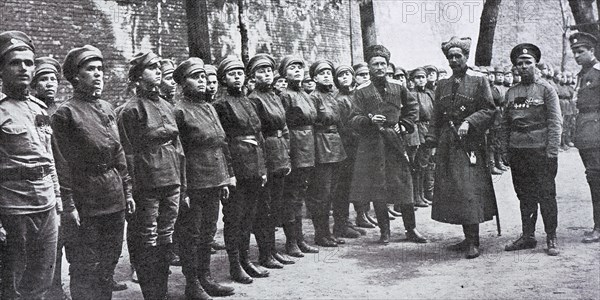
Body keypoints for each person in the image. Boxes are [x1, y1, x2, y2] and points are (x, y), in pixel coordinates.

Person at [51, 45, 136, 299]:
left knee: (109, 261)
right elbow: (62, 162)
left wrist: (127, 190)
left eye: (100, 69)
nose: (98, 74)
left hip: (113, 194)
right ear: (76, 76)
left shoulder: (108, 108)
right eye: (91, 69)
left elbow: (118, 151)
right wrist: (68, 204)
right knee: (85, 266)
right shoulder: (65, 114)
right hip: (85, 197)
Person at [118, 51, 184, 299]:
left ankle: (162, 291)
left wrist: (181, 179)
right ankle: (151, 293)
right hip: (147, 182)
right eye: (151, 67)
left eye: (159, 67)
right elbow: (128, 152)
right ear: (137, 76)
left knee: (166, 234)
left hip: (171, 178)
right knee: (148, 237)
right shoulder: (130, 110)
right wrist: (131, 189)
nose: (158, 71)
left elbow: (178, 146)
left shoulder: (167, 106)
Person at [0, 30, 61, 299]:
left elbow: (48, 158)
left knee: (40, 283)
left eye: (29, 62)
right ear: (1, 69)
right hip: (13, 209)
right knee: (11, 286)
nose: (24, 68)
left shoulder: (39, 108)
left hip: (46, 205)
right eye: (15, 62)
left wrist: (57, 197)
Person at [425, 36, 497, 259]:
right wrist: (432, 141)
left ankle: (474, 241)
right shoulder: (442, 85)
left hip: (469, 144)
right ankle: (467, 238)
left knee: (468, 190)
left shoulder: (478, 81)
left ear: (466, 57)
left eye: (459, 56)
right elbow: (436, 116)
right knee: (454, 190)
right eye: (451, 57)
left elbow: (489, 110)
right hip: (448, 143)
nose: (454, 60)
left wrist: (469, 121)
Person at [349, 44, 428, 245]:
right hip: (372, 145)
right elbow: (353, 118)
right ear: (368, 66)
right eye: (375, 64)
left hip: (395, 143)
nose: (379, 67)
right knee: (379, 187)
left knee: (404, 185)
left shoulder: (398, 86)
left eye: (383, 63)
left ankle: (411, 229)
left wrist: (404, 125)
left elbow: (412, 108)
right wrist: (368, 121)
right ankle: (385, 232)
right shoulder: (361, 91)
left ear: (388, 65)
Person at [172, 57, 235, 299]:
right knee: (192, 234)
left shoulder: (208, 107)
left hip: (213, 179)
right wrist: (184, 189)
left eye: (202, 77)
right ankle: (192, 284)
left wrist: (225, 177)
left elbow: (221, 142)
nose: (201, 82)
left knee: (208, 231)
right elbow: (177, 153)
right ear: (182, 83)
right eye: (194, 77)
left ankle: (206, 278)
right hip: (194, 182)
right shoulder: (178, 111)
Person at [501, 43, 562, 256]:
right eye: (520, 64)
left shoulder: (546, 89)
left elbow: (555, 122)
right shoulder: (511, 92)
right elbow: (505, 123)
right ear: (515, 67)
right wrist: (505, 150)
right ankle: (528, 236)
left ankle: (551, 237)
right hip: (518, 150)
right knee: (524, 195)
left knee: (546, 194)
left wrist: (552, 152)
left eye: (528, 63)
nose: (524, 66)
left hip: (540, 150)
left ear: (535, 65)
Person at [213, 56, 269, 283]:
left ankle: (246, 260)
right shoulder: (221, 105)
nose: (237, 77)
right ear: (224, 79)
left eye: (239, 73)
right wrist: (229, 174)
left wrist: (263, 167)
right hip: (236, 165)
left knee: (249, 215)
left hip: (254, 165)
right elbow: (222, 141)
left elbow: (258, 135)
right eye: (231, 74)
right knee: (234, 217)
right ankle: (235, 265)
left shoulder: (248, 101)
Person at [246, 54, 296, 267]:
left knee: (275, 205)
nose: (266, 74)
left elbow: (284, 127)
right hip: (265, 152)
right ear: (253, 76)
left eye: (268, 71)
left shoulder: (276, 96)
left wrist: (286, 155)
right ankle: (265, 254)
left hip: (279, 153)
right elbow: (256, 133)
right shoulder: (254, 99)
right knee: (264, 207)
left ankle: (273, 251)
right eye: (261, 71)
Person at [278, 56, 320, 256]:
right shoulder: (284, 96)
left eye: (300, 67)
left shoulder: (305, 94)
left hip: (308, 145)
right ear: (284, 73)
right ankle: (291, 241)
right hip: (295, 146)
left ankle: (300, 239)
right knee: (292, 196)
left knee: (300, 195)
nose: (297, 71)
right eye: (292, 68)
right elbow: (283, 126)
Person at [307, 59, 348, 247]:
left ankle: (330, 232)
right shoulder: (313, 98)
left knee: (332, 192)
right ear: (314, 77)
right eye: (321, 73)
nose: (326, 76)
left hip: (336, 145)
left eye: (328, 73)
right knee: (321, 193)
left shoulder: (333, 96)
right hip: (321, 145)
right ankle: (320, 233)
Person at [569, 32, 600, 243]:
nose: (577, 55)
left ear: (592, 51)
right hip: (585, 130)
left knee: (596, 177)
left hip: (597, 128)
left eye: (581, 51)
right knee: (593, 177)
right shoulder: (582, 74)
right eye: (574, 52)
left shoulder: (598, 72)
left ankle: (599, 227)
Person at [331, 64, 366, 238]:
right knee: (342, 188)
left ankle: (348, 222)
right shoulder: (339, 99)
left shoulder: (356, 96)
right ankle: (340, 224)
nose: (345, 77)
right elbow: (344, 126)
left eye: (347, 74)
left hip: (357, 145)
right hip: (346, 147)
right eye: (341, 75)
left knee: (351, 185)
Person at [350, 62, 377, 229]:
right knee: (358, 182)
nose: (365, 78)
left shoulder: (370, 94)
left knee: (367, 180)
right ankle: (360, 214)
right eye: (361, 75)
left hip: (366, 141)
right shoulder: (355, 95)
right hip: (353, 142)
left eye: (367, 75)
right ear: (355, 78)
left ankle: (365, 213)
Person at [410, 67, 435, 207]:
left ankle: (423, 194)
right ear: (413, 80)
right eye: (418, 77)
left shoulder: (430, 93)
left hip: (428, 129)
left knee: (425, 163)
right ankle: (416, 196)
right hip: (416, 130)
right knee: (417, 165)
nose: (421, 80)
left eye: (423, 77)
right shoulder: (411, 94)